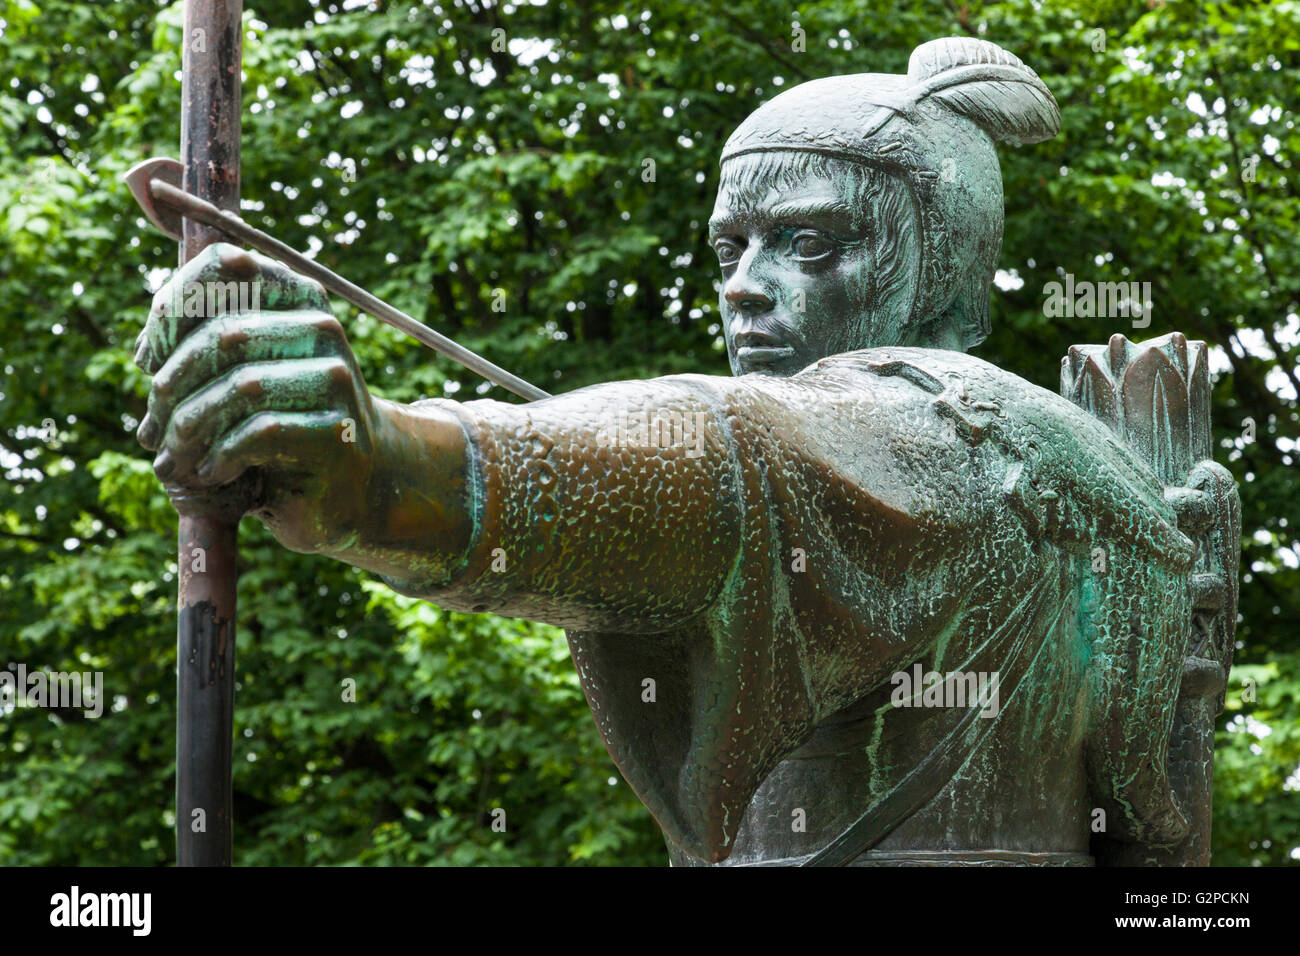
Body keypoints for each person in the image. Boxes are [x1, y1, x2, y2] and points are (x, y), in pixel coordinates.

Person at [132, 38, 1194, 866]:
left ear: (939, 258)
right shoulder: (1089, 474)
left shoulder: (940, 427)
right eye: (732, 247)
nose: (741, 283)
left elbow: (723, 456)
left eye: (810, 242)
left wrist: (376, 465)